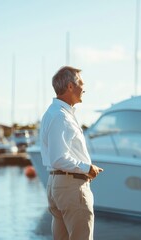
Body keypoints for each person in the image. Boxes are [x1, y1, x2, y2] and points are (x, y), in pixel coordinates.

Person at [40, 66, 103, 240]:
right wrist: (87, 168)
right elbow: (59, 158)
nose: (84, 88)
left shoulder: (52, 113)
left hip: (57, 184)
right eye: (81, 83)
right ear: (70, 86)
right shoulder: (61, 116)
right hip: (71, 187)